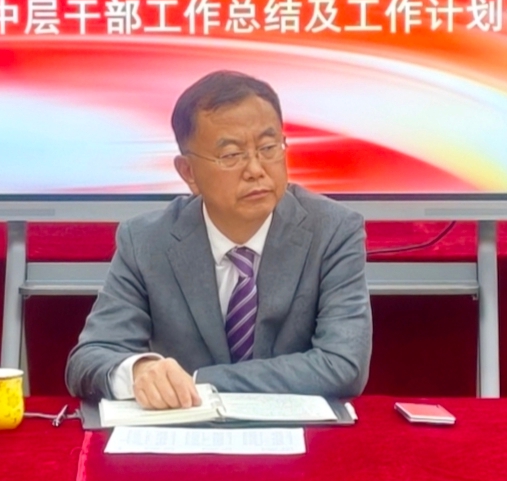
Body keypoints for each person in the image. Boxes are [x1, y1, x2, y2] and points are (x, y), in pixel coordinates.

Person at [67, 71, 372, 406]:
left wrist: (199, 381)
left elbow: (342, 364)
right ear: (188, 172)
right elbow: (89, 358)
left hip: (301, 433)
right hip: (182, 432)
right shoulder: (146, 241)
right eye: (231, 155)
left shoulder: (332, 230)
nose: (255, 169)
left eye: (268, 148)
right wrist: (140, 371)